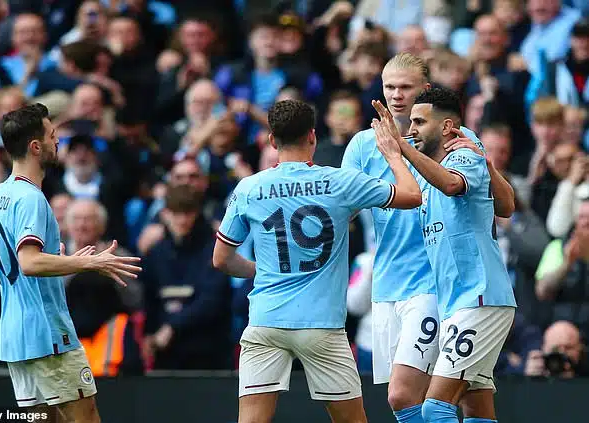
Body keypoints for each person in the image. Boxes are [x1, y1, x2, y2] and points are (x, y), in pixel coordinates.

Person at [212, 99, 422, 423]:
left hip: (266, 320)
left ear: (272, 141)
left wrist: (262, 271)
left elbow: (222, 259)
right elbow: (412, 195)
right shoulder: (340, 183)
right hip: (322, 326)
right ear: (313, 136)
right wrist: (394, 154)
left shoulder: (249, 188)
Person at [341, 52, 515, 423]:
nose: (396, 95)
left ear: (426, 90)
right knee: (473, 401)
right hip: (391, 284)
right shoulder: (362, 144)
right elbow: (345, 207)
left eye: (406, 87)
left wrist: (398, 150)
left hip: (442, 286)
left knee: (409, 397)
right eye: (389, 86)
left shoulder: (458, 138)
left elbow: (495, 201)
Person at [0, 104, 142, 423]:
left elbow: (1, 272)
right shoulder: (31, 199)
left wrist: (60, 260)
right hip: (48, 333)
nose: (58, 143)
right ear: (35, 147)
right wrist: (88, 264)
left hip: (15, 335)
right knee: (86, 418)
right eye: (53, 136)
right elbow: (29, 262)